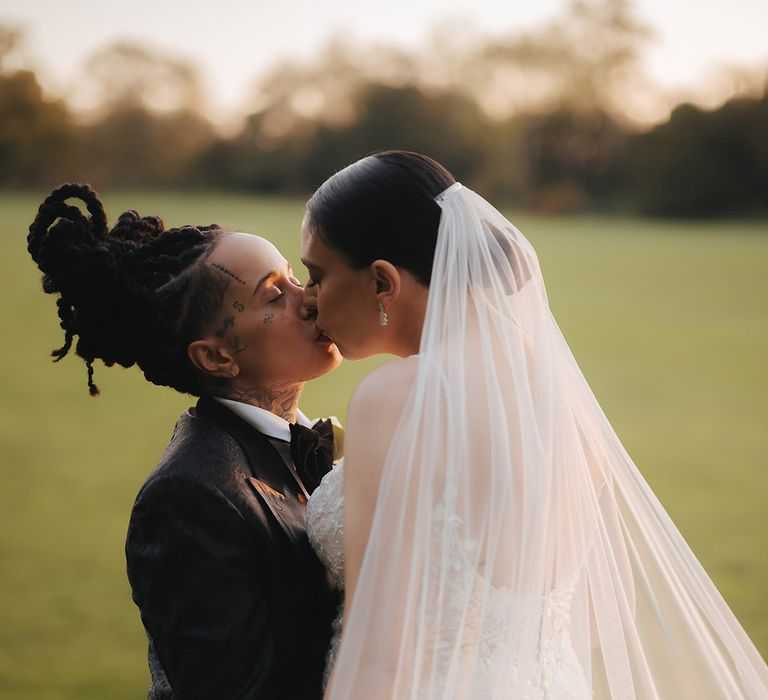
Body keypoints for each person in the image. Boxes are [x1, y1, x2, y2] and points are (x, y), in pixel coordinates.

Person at [302, 151, 768, 698]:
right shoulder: (554, 398)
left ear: (382, 281)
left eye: (316, 275)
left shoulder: (398, 398)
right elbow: (604, 610)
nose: (308, 299)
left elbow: (380, 660)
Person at [27, 184, 342, 699]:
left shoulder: (303, 445)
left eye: (293, 275)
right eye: (273, 294)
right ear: (216, 357)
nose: (308, 298)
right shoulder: (190, 497)